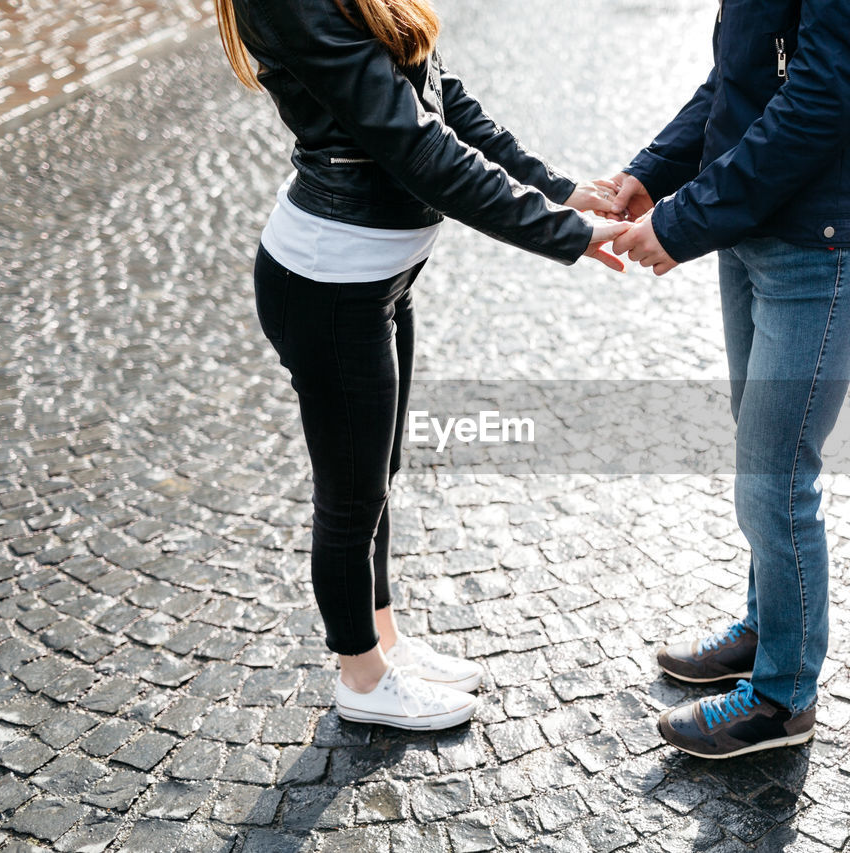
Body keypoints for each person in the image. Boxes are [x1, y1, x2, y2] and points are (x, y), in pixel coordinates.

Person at [215, 0, 629, 730]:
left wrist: (555, 185)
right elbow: (415, 148)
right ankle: (362, 676)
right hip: (330, 284)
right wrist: (562, 231)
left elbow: (442, 99)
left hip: (379, 281)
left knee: (379, 479)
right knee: (349, 500)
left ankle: (386, 642)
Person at [610, 0, 850, 758]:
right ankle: (768, 630)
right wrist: (654, 171)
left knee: (775, 476)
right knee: (761, 453)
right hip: (758, 213)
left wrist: (684, 221)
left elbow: (823, 96)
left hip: (826, 234)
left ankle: (782, 695)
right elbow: (745, 70)